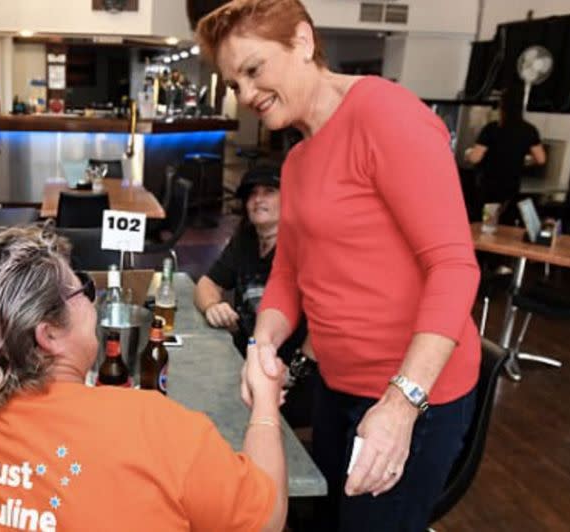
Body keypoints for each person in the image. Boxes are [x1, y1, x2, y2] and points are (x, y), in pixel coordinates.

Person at [197, 1, 481, 530]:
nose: (247, 95)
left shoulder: (384, 113)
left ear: (303, 42)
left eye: (254, 70)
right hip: (338, 387)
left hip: (414, 399)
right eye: (235, 84)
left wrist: (402, 405)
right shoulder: (300, 160)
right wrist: (262, 348)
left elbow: (454, 266)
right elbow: (288, 274)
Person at [0, 225, 288, 532]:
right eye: (82, 290)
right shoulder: (155, 425)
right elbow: (266, 518)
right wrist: (265, 404)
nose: (94, 300)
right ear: (49, 335)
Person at [194, 166, 316, 427]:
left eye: (269, 191)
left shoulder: (306, 249)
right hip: (244, 363)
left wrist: (293, 373)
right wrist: (212, 306)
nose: (258, 199)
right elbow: (207, 283)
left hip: (292, 381)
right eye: (252, 194)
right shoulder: (245, 241)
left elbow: (321, 324)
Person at [465, 84, 547, 225]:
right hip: (511, 188)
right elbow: (541, 159)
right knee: (503, 224)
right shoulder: (529, 130)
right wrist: (524, 160)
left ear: (502, 106)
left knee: (486, 224)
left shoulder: (492, 129)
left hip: (489, 186)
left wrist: (468, 153)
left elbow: (475, 157)